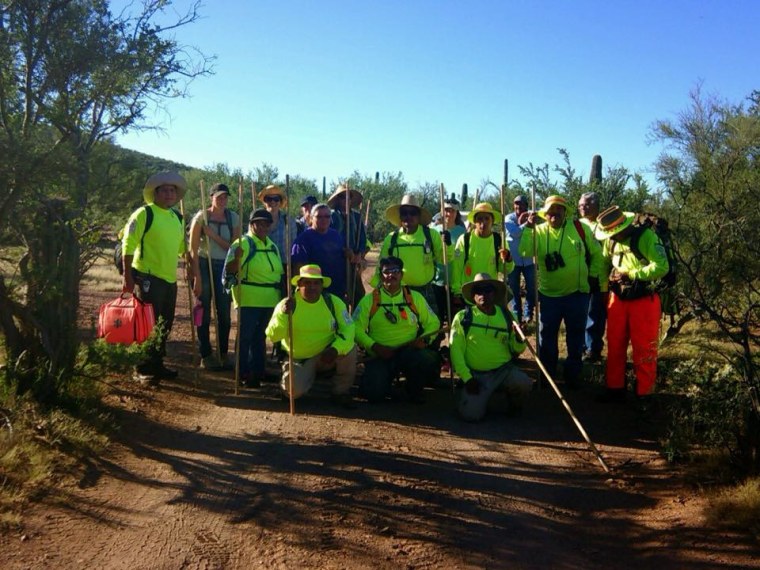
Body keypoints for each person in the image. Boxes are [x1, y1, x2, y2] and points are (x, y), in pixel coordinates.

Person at [518, 195, 603, 388]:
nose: (554, 213)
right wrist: (528, 228)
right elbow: (524, 251)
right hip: (549, 296)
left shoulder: (581, 229)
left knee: (575, 338)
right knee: (546, 337)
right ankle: (548, 377)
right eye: (551, 210)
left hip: (577, 294)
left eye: (559, 209)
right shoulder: (537, 231)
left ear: (565, 212)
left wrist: (592, 277)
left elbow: (597, 254)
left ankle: (572, 376)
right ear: (545, 214)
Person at [122, 171, 190, 385]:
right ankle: (141, 368)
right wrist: (127, 277)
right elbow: (128, 244)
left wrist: (192, 261)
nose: (170, 194)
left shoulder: (177, 217)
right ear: (156, 193)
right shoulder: (144, 214)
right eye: (165, 190)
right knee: (146, 324)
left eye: (173, 190)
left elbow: (181, 248)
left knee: (164, 324)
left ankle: (156, 364)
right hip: (147, 277)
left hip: (170, 280)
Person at [595, 206, 669, 402]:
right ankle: (614, 389)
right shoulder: (610, 242)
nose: (613, 236)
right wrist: (604, 290)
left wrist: (633, 274)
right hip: (617, 298)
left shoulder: (646, 237)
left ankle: (644, 395)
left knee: (644, 348)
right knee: (615, 345)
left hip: (644, 300)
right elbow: (603, 264)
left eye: (615, 233)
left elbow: (662, 266)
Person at [265, 265, 357, 408]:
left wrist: (336, 349)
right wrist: (283, 315)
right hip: (299, 359)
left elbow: (349, 329)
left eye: (316, 283)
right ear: (299, 285)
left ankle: (340, 392)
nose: (312, 287)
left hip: (327, 354)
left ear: (322, 285)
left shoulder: (333, 302)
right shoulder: (287, 304)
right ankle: (294, 378)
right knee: (293, 393)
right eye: (307, 283)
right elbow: (274, 336)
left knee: (350, 349)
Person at [353, 256, 441, 404]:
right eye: (386, 272)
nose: (391, 275)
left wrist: (424, 340)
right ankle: (385, 386)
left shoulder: (414, 298)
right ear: (381, 275)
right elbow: (355, 328)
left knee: (426, 360)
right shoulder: (370, 300)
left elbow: (433, 323)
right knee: (373, 395)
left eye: (395, 271)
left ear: (401, 275)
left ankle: (413, 389)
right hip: (380, 354)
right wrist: (374, 346)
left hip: (409, 351)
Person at [450, 273, 532, 421]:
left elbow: (517, 349)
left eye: (488, 290)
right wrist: (467, 378)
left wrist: (520, 339)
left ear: (494, 294)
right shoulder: (463, 317)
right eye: (478, 291)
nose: (483, 294)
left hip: (503, 371)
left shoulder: (507, 316)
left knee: (523, 383)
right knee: (471, 416)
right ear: (473, 296)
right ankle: (476, 398)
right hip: (475, 375)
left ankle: (514, 405)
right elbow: (456, 350)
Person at [225, 208, 284, 387]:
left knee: (260, 337)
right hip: (249, 298)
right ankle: (242, 372)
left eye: (266, 224)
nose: (263, 227)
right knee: (246, 337)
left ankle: (258, 371)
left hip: (269, 299)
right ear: (251, 225)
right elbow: (229, 271)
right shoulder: (242, 244)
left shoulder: (271, 246)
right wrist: (236, 259)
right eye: (259, 223)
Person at [189, 183, 241, 370]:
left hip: (224, 266)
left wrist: (211, 234)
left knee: (225, 314)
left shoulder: (233, 217)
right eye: (219, 196)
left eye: (225, 197)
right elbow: (192, 250)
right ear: (210, 197)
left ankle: (223, 353)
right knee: (202, 311)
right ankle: (205, 354)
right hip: (204, 264)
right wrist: (196, 277)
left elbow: (235, 249)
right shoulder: (201, 217)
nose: (222, 200)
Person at [373, 195, 451, 313]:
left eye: (412, 213)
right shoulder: (391, 239)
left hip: (426, 291)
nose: (408, 216)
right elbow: (381, 266)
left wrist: (448, 245)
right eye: (404, 213)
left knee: (432, 327)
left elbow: (445, 259)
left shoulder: (431, 235)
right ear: (400, 216)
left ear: (418, 216)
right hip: (399, 293)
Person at [451, 202, 514, 304]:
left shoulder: (499, 241)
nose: (483, 222)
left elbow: (506, 269)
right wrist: (457, 293)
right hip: (469, 296)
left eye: (487, 218)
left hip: (490, 296)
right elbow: (457, 268)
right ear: (474, 221)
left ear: (492, 221)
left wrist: (508, 259)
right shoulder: (465, 240)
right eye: (479, 219)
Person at [291, 203, 351, 299]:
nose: (324, 220)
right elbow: (298, 267)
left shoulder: (336, 235)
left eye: (327, 216)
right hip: (313, 291)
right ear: (311, 218)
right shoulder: (303, 239)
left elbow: (344, 256)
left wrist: (349, 254)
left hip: (337, 290)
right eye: (319, 217)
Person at [578, 191, 608, 362]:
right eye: (581, 205)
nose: (583, 207)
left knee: (595, 315)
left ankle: (593, 349)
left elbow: (605, 254)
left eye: (586, 204)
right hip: (579, 277)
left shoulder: (604, 224)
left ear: (596, 206)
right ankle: (581, 347)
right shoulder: (577, 224)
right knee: (580, 314)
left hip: (598, 277)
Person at [328, 184, 367, 307]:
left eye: (348, 197)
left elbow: (362, 238)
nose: (345, 200)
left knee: (358, 294)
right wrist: (343, 251)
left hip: (353, 262)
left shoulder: (356, 217)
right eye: (342, 197)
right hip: (337, 262)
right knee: (339, 295)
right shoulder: (332, 217)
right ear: (338, 200)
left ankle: (356, 323)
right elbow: (330, 239)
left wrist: (359, 254)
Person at [431, 198, 466, 322]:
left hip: (455, 282)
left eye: (452, 211)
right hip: (437, 280)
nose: (449, 214)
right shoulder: (434, 231)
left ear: (457, 213)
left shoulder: (462, 233)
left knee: (455, 318)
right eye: (446, 210)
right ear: (441, 211)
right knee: (437, 318)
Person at [504, 195, 536, 323]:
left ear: (526, 206)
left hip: (528, 260)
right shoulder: (509, 218)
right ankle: (517, 315)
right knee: (514, 289)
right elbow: (515, 232)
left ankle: (529, 314)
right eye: (516, 204)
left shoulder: (531, 217)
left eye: (521, 204)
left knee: (531, 288)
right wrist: (527, 224)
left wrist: (529, 223)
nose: (518, 206)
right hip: (514, 261)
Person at [258, 184, 298, 268]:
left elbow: (294, 245)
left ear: (280, 202)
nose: (272, 202)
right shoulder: (257, 221)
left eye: (276, 199)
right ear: (264, 202)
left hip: (284, 265)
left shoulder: (288, 220)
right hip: (263, 265)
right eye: (269, 199)